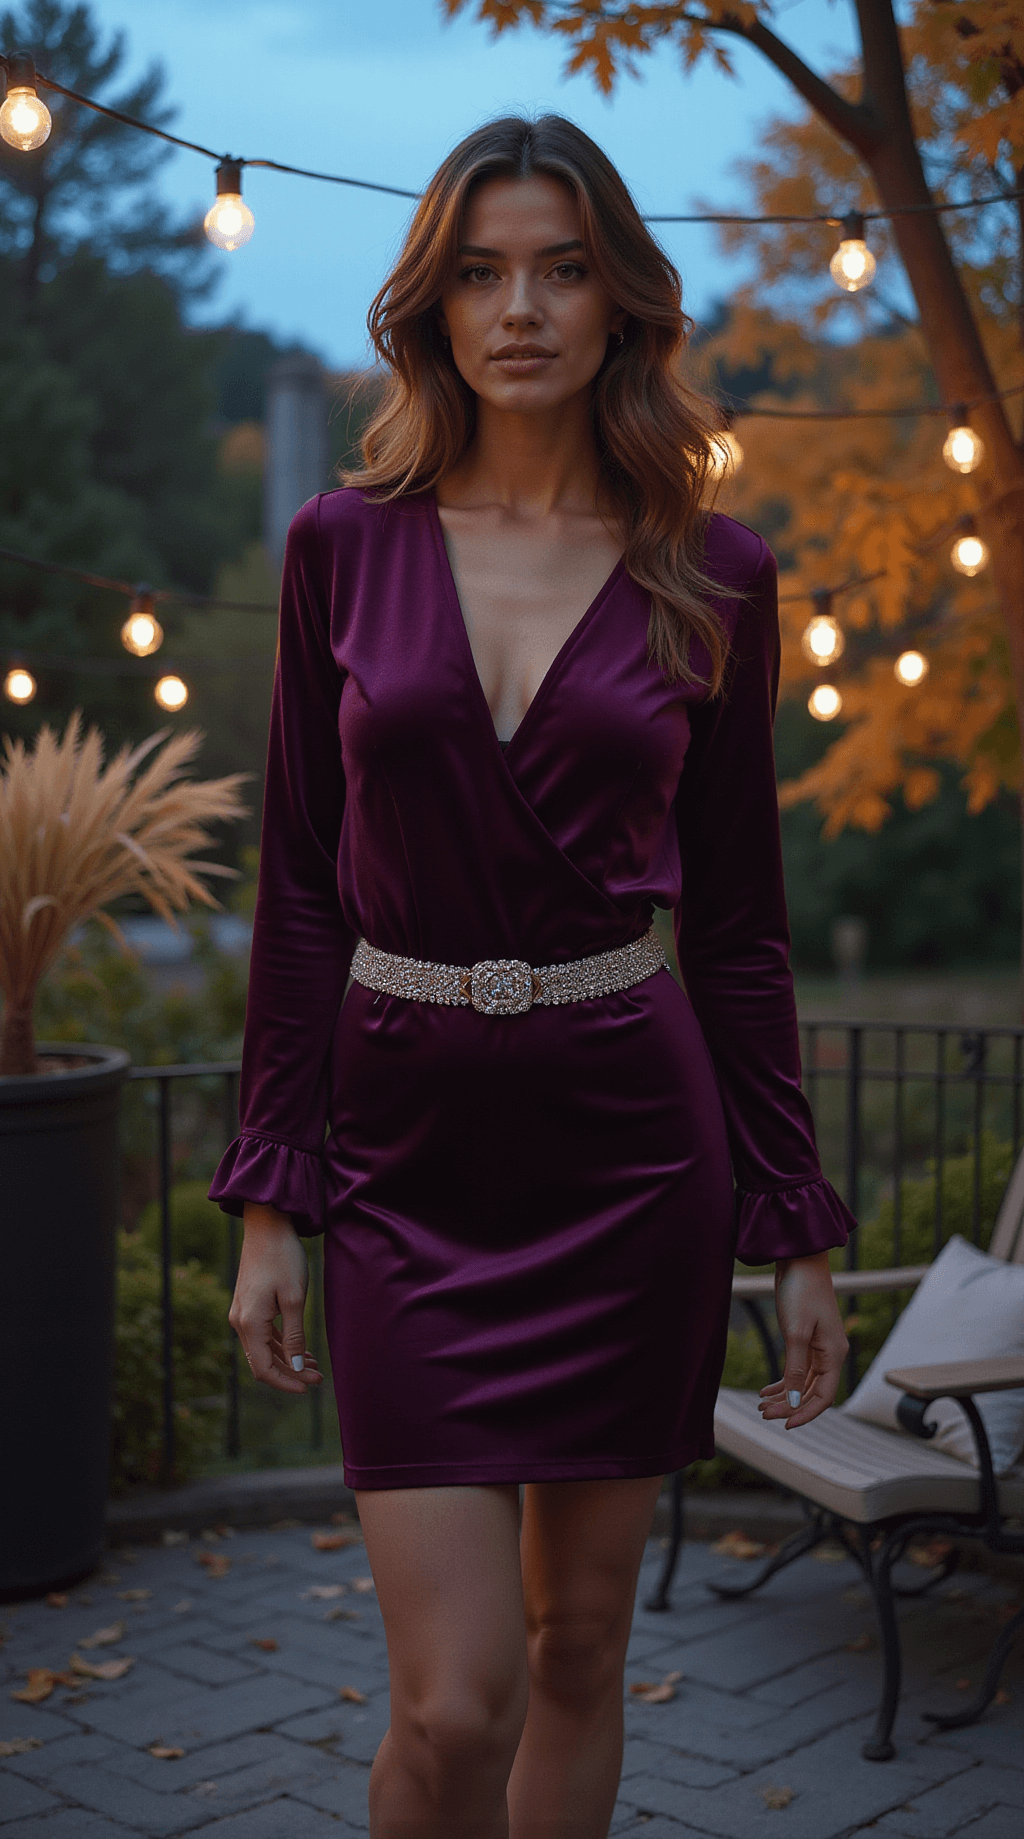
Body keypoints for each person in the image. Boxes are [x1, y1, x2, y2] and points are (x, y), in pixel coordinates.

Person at [209, 114, 855, 1839]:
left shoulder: (715, 569)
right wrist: (271, 1197)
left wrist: (793, 1219)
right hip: (404, 1159)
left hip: (630, 1154)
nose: (521, 310)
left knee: (578, 1651)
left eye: (562, 271)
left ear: (619, 301)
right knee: (453, 1703)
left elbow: (739, 923)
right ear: (433, 304)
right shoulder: (339, 547)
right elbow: (297, 893)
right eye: (484, 272)